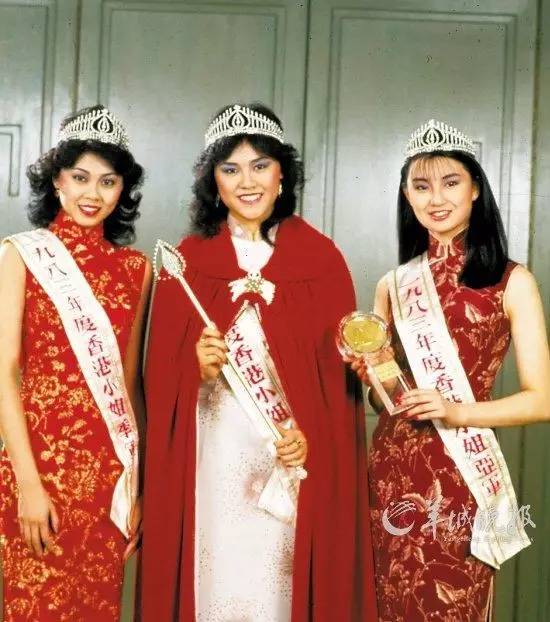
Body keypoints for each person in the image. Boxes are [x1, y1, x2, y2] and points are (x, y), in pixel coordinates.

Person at [139, 103, 377, 621]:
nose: (247, 182)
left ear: (281, 173)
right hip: (215, 457)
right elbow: (157, 382)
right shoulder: (188, 261)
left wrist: (311, 436)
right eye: (231, 169)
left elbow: (337, 393)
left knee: (279, 592)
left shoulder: (320, 260)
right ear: (214, 181)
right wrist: (195, 369)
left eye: (260, 165)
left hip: (287, 460)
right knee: (220, 583)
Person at [350, 119, 550, 621]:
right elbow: (385, 399)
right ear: (407, 195)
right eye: (421, 186)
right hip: (390, 473)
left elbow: (542, 399)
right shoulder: (393, 285)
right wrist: (372, 376)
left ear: (475, 188)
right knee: (388, 603)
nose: (436, 198)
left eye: (451, 182)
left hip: (462, 474)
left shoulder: (511, 281)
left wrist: (457, 411)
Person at [0, 105, 152, 621]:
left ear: (122, 189)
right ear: (57, 180)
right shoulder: (22, 254)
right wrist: (28, 484)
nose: (93, 194)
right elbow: (5, 372)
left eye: (108, 181)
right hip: (38, 466)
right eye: (80, 177)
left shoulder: (136, 269)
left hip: (109, 475)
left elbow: (129, 384)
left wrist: (138, 486)